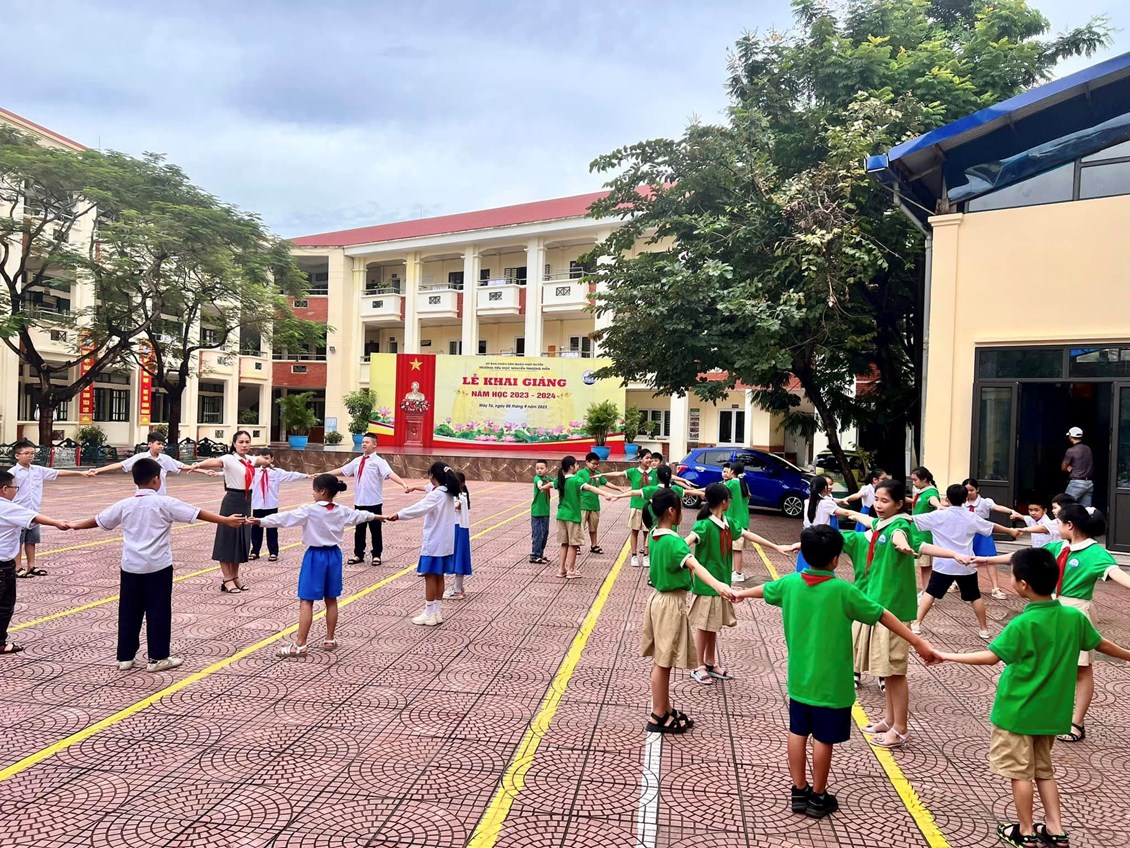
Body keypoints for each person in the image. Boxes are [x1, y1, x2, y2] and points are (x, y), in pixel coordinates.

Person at [734, 525, 939, 819]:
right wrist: (918, 642)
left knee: (797, 732)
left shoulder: (790, 584)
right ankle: (818, 796)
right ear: (835, 560)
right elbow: (882, 614)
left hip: (799, 681)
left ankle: (799, 791)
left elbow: (764, 590)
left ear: (805, 554)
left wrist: (740, 593)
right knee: (823, 739)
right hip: (831, 685)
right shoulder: (844, 591)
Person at [936, 547, 1130, 848]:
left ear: (1023, 584)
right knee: (1044, 771)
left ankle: (1025, 832)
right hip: (1052, 714)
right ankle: (1056, 829)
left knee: (1020, 774)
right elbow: (1101, 644)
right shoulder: (1073, 617)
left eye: (1013, 576)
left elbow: (991, 657)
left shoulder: (1023, 624)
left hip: (1017, 712)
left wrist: (945, 655)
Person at [66, 458, 243, 672]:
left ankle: (125, 657)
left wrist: (75, 525)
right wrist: (226, 520)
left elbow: (98, 520)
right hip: (158, 566)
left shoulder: (125, 504)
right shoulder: (164, 503)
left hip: (130, 566)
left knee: (129, 610)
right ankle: (158, 657)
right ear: (156, 479)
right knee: (158, 611)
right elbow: (197, 513)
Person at [975, 503, 1130, 745]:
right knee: (1048, 663)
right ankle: (1049, 714)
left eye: (1059, 522)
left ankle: (1077, 722)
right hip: (1051, 607)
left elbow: (1117, 574)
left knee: (1081, 669)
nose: (1056, 526)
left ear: (1070, 525)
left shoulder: (1096, 554)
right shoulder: (1058, 547)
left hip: (1076, 611)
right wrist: (984, 560)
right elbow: (1022, 559)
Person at [835, 479, 969, 747]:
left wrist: (952, 555)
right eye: (877, 499)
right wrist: (846, 511)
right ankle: (889, 720)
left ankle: (900, 728)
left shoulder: (900, 526)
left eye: (885, 501)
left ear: (899, 504)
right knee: (886, 671)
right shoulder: (880, 524)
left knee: (895, 672)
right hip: (879, 605)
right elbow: (867, 519)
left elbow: (907, 540)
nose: (878, 505)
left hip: (894, 609)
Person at [251, 474, 383, 656]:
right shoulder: (341, 510)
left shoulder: (309, 510)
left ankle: (300, 644)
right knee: (331, 599)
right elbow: (361, 515)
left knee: (307, 600)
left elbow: (284, 518)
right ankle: (329, 639)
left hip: (315, 556)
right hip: (334, 556)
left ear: (322, 491)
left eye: (314, 490)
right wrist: (379, 516)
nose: (312, 493)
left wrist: (261, 521)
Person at [639, 488, 737, 734]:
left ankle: (665, 708)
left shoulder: (655, 533)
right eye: (681, 507)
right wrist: (720, 586)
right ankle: (658, 715)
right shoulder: (673, 542)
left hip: (659, 600)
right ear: (672, 511)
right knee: (663, 662)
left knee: (663, 660)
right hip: (670, 603)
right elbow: (696, 566)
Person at [683, 481, 796, 685]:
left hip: (722, 584)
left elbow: (748, 534)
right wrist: (676, 550)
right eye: (729, 499)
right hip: (707, 586)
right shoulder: (704, 525)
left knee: (713, 624)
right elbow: (688, 541)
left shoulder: (728, 523)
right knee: (703, 626)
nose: (731, 502)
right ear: (724, 501)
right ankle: (698, 666)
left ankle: (710, 662)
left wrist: (777, 547)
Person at [909, 484, 1021, 640]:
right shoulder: (971, 516)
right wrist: (1010, 531)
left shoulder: (938, 515)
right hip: (966, 564)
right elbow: (991, 526)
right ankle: (984, 629)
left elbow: (912, 519)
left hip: (944, 565)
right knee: (975, 596)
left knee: (930, 593)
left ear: (947, 499)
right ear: (965, 499)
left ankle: (917, 624)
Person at [0, 470, 69, 655]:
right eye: (15, 487)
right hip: (2, 567)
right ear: (5, 489)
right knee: (4, 605)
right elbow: (34, 517)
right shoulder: (7, 507)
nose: (16, 491)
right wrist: (58, 523)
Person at [192, 430, 270, 594]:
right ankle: (227, 579)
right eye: (241, 442)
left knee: (241, 540)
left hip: (246, 502)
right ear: (234, 444)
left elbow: (260, 459)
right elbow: (214, 461)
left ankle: (235, 577)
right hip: (232, 501)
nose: (244, 445)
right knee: (227, 539)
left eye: (247, 442)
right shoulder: (229, 459)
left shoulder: (249, 459)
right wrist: (198, 465)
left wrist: (267, 463)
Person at [385, 462, 461, 626]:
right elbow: (427, 491)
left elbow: (419, 508)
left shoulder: (437, 495)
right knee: (439, 576)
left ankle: (429, 612)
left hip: (434, 542)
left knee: (430, 576)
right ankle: (436, 612)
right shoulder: (447, 492)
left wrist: (399, 514)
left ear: (432, 476)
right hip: (445, 542)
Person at [329, 433, 411, 566]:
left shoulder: (379, 462)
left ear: (374, 444)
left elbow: (390, 474)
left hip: (374, 502)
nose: (364, 444)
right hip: (359, 501)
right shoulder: (357, 461)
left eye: (367, 442)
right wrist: (324, 474)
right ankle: (358, 554)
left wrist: (403, 484)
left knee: (375, 530)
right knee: (359, 530)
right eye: (363, 442)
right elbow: (343, 470)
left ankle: (376, 555)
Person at [9, 438, 86, 578]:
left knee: (31, 540)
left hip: (34, 512)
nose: (30, 456)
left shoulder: (37, 470)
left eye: (32, 453)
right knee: (18, 541)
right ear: (17, 455)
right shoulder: (12, 473)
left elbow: (58, 473)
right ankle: (18, 567)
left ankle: (31, 566)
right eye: (26, 453)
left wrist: (80, 473)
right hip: (18, 512)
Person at [85, 432, 216, 493]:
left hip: (160, 495)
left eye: (163, 444)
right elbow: (121, 465)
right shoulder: (140, 457)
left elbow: (183, 467)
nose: (161, 446)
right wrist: (98, 470)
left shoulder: (165, 459)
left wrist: (204, 471)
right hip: (142, 495)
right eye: (158, 444)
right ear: (149, 444)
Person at [554, 455, 615, 580]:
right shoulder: (576, 480)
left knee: (564, 544)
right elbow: (590, 487)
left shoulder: (560, 479)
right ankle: (571, 570)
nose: (578, 466)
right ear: (571, 467)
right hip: (573, 516)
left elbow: (551, 484)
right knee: (573, 544)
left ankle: (561, 570)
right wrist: (606, 494)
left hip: (561, 515)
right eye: (576, 464)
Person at [962, 478, 1023, 600]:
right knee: (963, 558)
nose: (969, 493)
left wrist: (1011, 511)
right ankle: (956, 582)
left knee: (990, 559)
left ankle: (995, 588)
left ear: (977, 489)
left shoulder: (985, 502)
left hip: (983, 534)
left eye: (971, 490)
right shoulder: (962, 503)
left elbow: (997, 507)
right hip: (967, 533)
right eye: (966, 490)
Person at [248, 450, 312, 561]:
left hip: (271, 505)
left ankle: (273, 552)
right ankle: (255, 551)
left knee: (272, 529)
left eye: (267, 458)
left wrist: (306, 476)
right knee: (256, 529)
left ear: (272, 459)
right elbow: (238, 472)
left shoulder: (276, 472)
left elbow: (291, 475)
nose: (264, 461)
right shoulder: (253, 471)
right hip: (257, 505)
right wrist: (219, 474)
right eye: (262, 458)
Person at [603, 449, 653, 567]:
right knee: (634, 531)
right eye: (647, 458)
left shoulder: (654, 473)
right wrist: (603, 474)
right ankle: (634, 556)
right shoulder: (633, 472)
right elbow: (618, 474)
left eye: (650, 458)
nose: (649, 460)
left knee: (647, 532)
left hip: (649, 507)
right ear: (640, 459)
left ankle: (646, 556)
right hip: (636, 506)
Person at [575, 452, 621, 555]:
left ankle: (594, 545)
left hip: (595, 505)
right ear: (587, 462)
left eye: (597, 464)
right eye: (593, 463)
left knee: (593, 527)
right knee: (580, 526)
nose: (595, 466)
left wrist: (619, 489)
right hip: (583, 504)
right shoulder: (580, 473)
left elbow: (606, 483)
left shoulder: (597, 474)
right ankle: (576, 545)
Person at [908, 466, 942, 592]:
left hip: (924, 534)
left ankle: (927, 592)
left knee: (926, 566)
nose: (913, 483)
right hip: (917, 532)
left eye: (915, 480)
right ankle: (925, 591)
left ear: (925, 479)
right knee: (924, 566)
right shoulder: (922, 492)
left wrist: (939, 505)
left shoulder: (931, 492)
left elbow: (932, 500)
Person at [798, 475, 837, 572]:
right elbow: (846, 513)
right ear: (824, 488)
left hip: (808, 537)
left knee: (804, 568)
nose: (830, 487)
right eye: (828, 484)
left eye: (831, 484)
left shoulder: (808, 501)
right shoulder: (826, 503)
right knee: (821, 567)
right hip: (820, 539)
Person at [722, 462, 751, 583]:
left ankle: (738, 573)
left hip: (735, 521)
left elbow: (719, 489)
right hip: (743, 520)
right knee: (735, 548)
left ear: (732, 471)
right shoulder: (743, 484)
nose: (726, 473)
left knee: (736, 549)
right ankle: (735, 571)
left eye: (728, 470)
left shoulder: (732, 483)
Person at [445, 471, 472, 600]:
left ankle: (457, 590)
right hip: (461, 530)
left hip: (458, 530)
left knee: (459, 559)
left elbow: (455, 506)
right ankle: (458, 587)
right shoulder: (462, 495)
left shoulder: (459, 497)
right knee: (460, 559)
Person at [528, 459, 554, 564]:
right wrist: (541, 486)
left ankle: (540, 554)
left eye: (541, 468)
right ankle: (534, 555)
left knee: (545, 533)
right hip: (537, 512)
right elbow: (539, 483)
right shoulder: (537, 478)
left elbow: (554, 482)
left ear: (547, 469)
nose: (539, 470)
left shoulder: (547, 478)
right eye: (537, 468)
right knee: (538, 534)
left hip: (545, 511)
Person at [1061, 427, 1094, 507]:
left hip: (1076, 482)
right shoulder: (1088, 449)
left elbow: (1063, 467)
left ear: (1070, 437)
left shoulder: (1071, 450)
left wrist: (1069, 466)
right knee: (1085, 510)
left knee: (1065, 505)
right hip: (1089, 483)